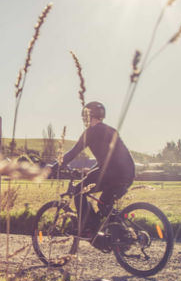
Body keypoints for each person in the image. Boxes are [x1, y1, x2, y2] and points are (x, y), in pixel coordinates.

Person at [51, 101, 135, 240]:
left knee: (79, 191)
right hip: (128, 174)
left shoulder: (90, 132)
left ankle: (88, 230)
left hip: (112, 173)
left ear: (88, 116)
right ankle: (121, 237)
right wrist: (89, 171)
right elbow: (108, 159)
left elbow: (73, 153)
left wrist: (53, 167)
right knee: (104, 205)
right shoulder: (110, 130)